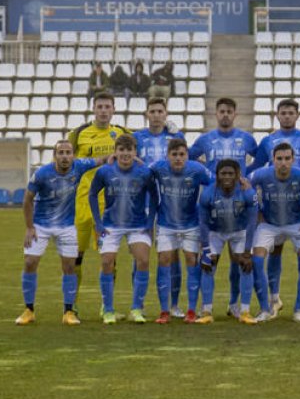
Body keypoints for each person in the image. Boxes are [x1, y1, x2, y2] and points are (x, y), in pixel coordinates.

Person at [15, 140, 117, 327]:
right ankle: (29, 310)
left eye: (68, 152)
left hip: (67, 226)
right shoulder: (42, 174)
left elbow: (100, 160)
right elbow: (27, 199)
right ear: (55, 155)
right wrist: (29, 227)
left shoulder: (79, 167)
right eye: (60, 152)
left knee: (70, 266)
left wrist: (118, 155)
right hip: (41, 225)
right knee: (30, 262)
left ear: (73, 155)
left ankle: (68, 312)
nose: (64, 156)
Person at [250, 98, 300, 316]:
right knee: (275, 251)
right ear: (277, 115)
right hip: (274, 203)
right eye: (283, 112)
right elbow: (255, 167)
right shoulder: (267, 141)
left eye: (290, 112)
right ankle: (274, 298)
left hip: (299, 202)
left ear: (297, 115)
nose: (286, 116)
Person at [189, 97, 260, 317]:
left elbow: (260, 160)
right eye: (222, 111)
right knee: (210, 260)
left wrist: (246, 176)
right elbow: (190, 161)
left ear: (235, 114)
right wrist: (208, 178)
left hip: (238, 200)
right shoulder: (204, 140)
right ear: (216, 113)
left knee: (238, 260)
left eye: (229, 111)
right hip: (214, 203)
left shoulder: (247, 139)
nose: (225, 114)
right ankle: (207, 308)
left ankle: (234, 305)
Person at [68, 91, 132, 315]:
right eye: (100, 107)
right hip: (82, 203)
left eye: (108, 107)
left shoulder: (122, 133)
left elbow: (140, 148)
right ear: (93, 109)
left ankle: (107, 305)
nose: (104, 111)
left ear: (114, 109)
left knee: (109, 258)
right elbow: (65, 162)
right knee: (76, 255)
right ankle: (71, 305)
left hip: (111, 206)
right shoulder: (78, 134)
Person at [88, 134, 159, 325]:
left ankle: (137, 308)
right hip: (110, 225)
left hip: (138, 225)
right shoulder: (104, 172)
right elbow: (92, 194)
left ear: (135, 152)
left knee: (143, 260)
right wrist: (98, 222)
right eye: (121, 150)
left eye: (129, 150)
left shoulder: (144, 172)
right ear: (116, 151)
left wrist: (150, 221)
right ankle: (108, 310)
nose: (125, 154)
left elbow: (154, 196)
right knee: (106, 263)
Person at [250, 143, 300, 323]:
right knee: (256, 260)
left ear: (293, 160)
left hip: (297, 224)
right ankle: (265, 308)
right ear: (273, 160)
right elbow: (247, 186)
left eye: (287, 158)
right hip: (269, 224)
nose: (283, 162)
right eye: (279, 159)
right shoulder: (261, 175)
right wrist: (257, 212)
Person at [149, 138, 214, 324]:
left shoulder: (197, 169)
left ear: (187, 155)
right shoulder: (158, 167)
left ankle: (191, 310)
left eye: (182, 154)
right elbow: (141, 172)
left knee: (192, 260)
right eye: (174, 154)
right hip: (165, 224)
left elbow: (215, 182)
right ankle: (164, 311)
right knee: (164, 260)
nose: (178, 158)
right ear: (168, 155)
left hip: (191, 224)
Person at [134, 97, 187, 316]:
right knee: (140, 255)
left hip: (168, 202)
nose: (156, 114)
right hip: (142, 202)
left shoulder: (175, 137)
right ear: (147, 114)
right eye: (152, 111)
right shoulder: (136, 138)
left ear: (166, 114)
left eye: (160, 111)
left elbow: (183, 161)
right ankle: (139, 304)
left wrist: (179, 134)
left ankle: (173, 305)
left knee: (172, 255)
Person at [197, 159, 259, 325]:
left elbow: (253, 222)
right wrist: (205, 250)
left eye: (231, 173)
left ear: (238, 175)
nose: (227, 177)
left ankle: (245, 311)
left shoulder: (248, 192)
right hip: (215, 232)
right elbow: (202, 223)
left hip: (239, 232)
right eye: (223, 173)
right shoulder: (207, 194)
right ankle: (206, 311)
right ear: (217, 175)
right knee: (208, 265)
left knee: (246, 266)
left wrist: (247, 251)